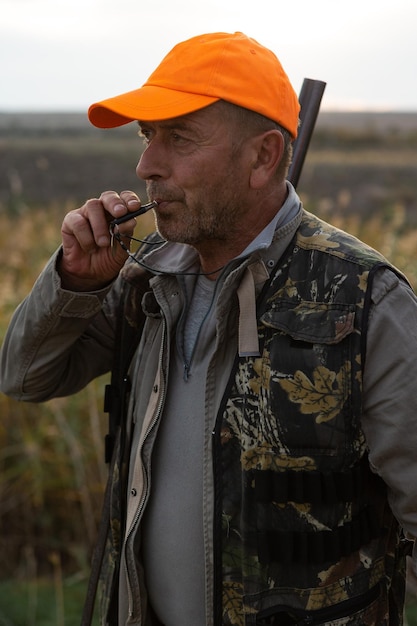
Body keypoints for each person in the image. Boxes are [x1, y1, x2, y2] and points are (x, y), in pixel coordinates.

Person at [1, 31, 417, 626]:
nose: (146, 165)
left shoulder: (367, 300)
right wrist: (77, 281)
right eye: (147, 136)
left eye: (179, 138)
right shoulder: (145, 281)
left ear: (263, 157)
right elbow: (24, 377)